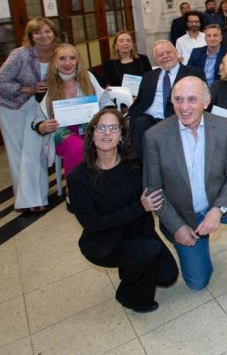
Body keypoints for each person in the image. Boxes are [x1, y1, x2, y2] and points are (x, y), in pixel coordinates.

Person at [143, 76, 227, 301]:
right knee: (198, 282)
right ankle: (195, 245)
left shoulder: (223, 127)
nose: (184, 107)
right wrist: (177, 227)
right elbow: (153, 193)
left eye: (192, 99)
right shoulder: (155, 136)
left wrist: (218, 210)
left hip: (221, 199)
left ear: (206, 101)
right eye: (178, 99)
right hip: (184, 214)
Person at [68, 109, 178, 313]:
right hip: (105, 241)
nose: (107, 133)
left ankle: (130, 267)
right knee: (149, 251)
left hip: (137, 232)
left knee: (167, 275)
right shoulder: (78, 178)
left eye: (113, 128)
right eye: (101, 127)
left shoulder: (134, 164)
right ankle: (129, 296)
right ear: (92, 133)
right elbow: (93, 224)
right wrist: (139, 208)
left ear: (121, 135)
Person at [0, 17, 60, 212]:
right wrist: (28, 88)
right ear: (31, 36)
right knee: (18, 152)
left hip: (38, 107)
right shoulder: (20, 55)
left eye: (47, 31)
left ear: (54, 33)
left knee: (35, 149)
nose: (43, 36)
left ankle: (38, 196)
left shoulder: (59, 53)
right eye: (37, 32)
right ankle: (26, 201)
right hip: (12, 107)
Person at [34, 44, 112, 176]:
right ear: (54, 62)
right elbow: (38, 120)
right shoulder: (47, 85)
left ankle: (101, 183)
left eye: (72, 58)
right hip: (61, 131)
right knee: (79, 149)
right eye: (62, 58)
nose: (67, 63)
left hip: (91, 127)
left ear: (78, 61)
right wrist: (42, 127)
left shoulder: (89, 77)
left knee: (107, 144)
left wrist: (107, 117)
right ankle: (77, 186)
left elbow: (106, 103)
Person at [127, 40, 205, 159]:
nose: (165, 57)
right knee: (139, 124)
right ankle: (143, 165)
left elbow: (203, 99)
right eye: (160, 55)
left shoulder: (193, 74)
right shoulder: (148, 76)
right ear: (156, 59)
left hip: (176, 116)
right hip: (149, 118)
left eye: (168, 52)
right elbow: (140, 101)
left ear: (176, 52)